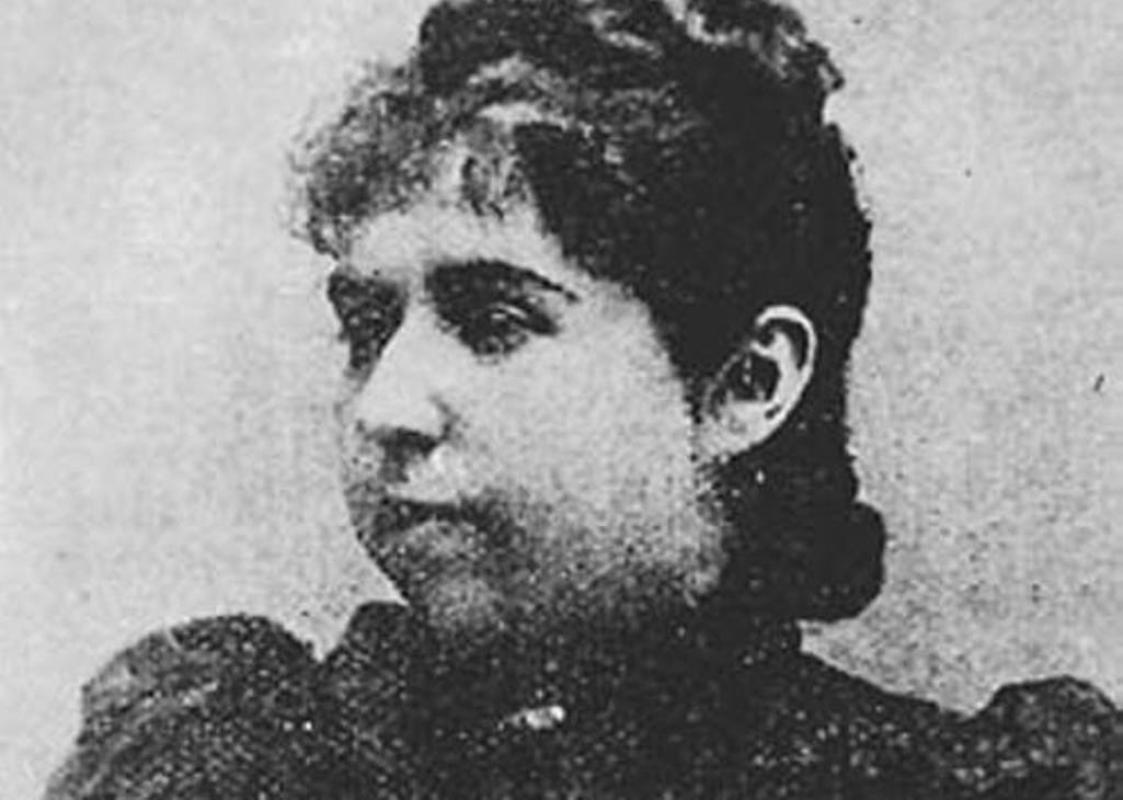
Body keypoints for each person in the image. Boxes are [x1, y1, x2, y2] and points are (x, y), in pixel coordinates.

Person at [44, 0, 1121, 797]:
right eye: (369, 328)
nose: (386, 407)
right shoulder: (228, 760)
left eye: (494, 321)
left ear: (746, 384)